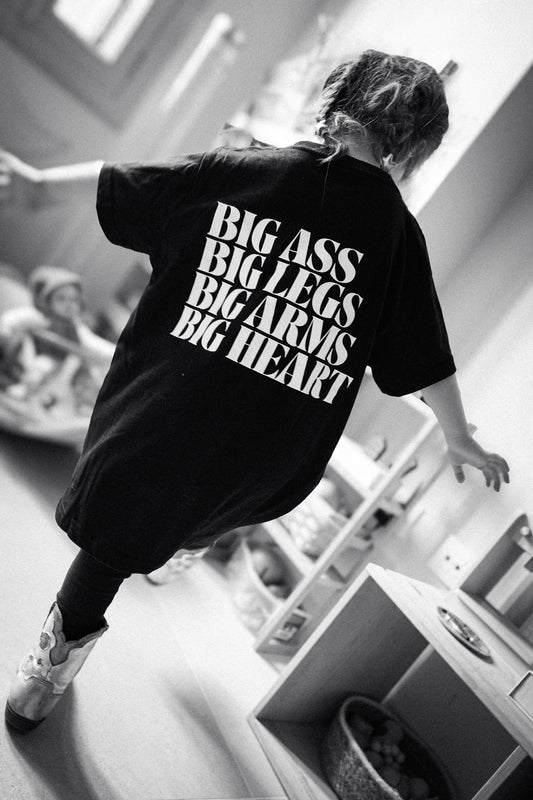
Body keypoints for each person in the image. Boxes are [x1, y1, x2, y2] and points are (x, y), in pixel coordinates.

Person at [1, 50, 509, 732]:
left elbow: (125, 181)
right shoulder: (397, 237)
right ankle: (181, 540)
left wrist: (38, 185)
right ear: (415, 148)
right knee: (210, 500)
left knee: (119, 531)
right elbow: (425, 356)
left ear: (337, 99)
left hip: (168, 408)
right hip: (271, 448)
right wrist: (457, 435)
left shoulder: (248, 169)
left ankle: (46, 675)